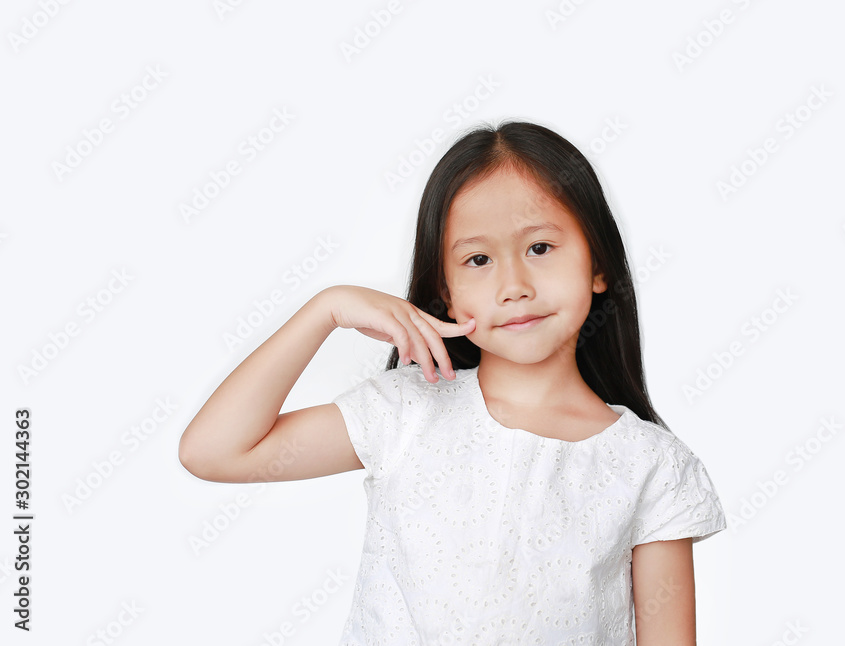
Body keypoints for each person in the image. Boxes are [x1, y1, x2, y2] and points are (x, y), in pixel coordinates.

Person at [178, 120, 727, 645]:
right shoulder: (404, 413)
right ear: (446, 291)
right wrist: (326, 310)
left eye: (540, 248)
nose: (514, 285)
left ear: (598, 265)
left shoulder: (652, 466)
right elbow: (215, 452)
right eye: (479, 259)